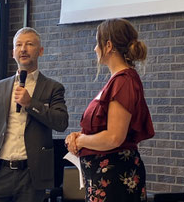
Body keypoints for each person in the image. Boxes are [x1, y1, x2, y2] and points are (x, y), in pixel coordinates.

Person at [0, 27, 69, 202]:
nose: (23, 49)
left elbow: (61, 122)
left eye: (29, 44)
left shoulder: (53, 87)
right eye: (18, 45)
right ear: (13, 53)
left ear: (40, 51)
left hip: (31, 175)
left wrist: (30, 104)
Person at [65, 18, 154, 202]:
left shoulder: (123, 81)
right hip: (103, 177)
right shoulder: (117, 81)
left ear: (108, 45)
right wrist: (78, 136)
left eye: (97, 43)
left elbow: (114, 137)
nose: (94, 49)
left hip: (115, 179)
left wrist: (81, 141)